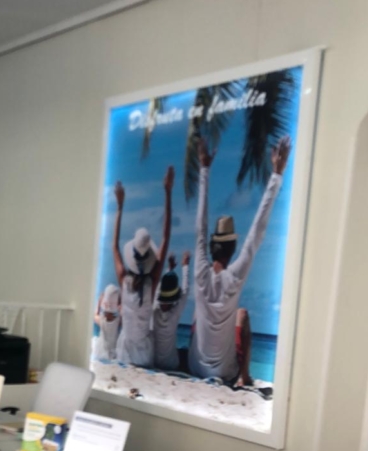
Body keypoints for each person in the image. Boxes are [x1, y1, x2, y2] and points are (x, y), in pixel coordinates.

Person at [188, 135, 291, 387]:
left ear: (211, 246)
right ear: (233, 247)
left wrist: (204, 169)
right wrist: (276, 175)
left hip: (194, 367)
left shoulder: (200, 271)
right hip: (225, 372)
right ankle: (245, 375)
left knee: (197, 312)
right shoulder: (234, 275)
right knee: (242, 313)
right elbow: (257, 231)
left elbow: (200, 226)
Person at [112, 166, 175, 367]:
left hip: (125, 350)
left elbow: (114, 246)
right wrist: (168, 193)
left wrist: (120, 207)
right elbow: (166, 238)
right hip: (145, 354)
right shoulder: (152, 283)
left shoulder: (124, 279)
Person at [153, 252, 190, 371]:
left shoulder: (154, 309)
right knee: (184, 351)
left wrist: (169, 268)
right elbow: (185, 291)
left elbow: (160, 288)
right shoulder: (175, 313)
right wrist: (185, 266)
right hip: (171, 364)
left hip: (153, 360)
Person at [94, 283, 121, 360]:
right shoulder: (118, 321)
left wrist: (99, 302)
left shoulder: (102, 320)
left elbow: (94, 315)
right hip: (114, 349)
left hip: (101, 349)